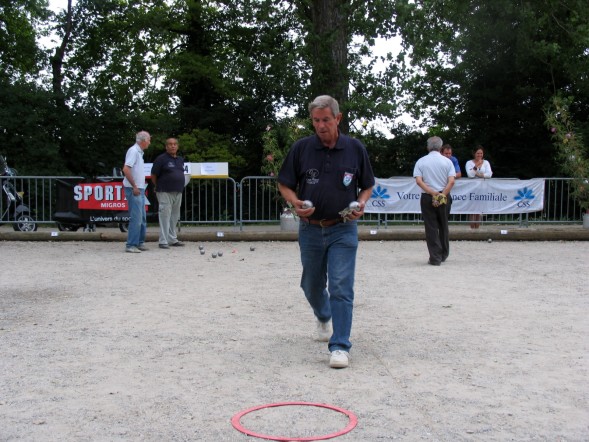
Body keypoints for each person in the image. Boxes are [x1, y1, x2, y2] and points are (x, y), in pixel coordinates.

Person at [278, 95, 375, 369]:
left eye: (326, 120)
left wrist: (362, 203)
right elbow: (284, 183)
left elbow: (367, 184)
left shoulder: (354, 148)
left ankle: (340, 345)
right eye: (316, 120)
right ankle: (323, 316)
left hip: (343, 228)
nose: (321, 126)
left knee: (341, 285)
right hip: (310, 229)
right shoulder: (302, 148)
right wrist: (294, 202)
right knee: (310, 284)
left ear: (338, 118)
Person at [413, 136, 456, 266]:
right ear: (441, 147)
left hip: (427, 196)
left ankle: (435, 257)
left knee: (431, 227)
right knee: (443, 225)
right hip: (444, 195)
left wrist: (432, 193)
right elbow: (451, 181)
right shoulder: (447, 162)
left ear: (428, 147)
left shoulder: (421, 161)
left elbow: (419, 181)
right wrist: (442, 195)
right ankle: (444, 254)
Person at [151, 138, 186, 249]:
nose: (173, 146)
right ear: (166, 147)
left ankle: (172, 239)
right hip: (164, 191)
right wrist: (157, 186)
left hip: (178, 191)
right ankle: (163, 241)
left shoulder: (180, 159)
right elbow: (153, 175)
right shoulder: (161, 159)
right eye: (170, 144)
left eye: (175, 144)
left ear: (178, 146)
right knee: (165, 216)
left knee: (174, 216)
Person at [122, 131, 150, 253]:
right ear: (143, 141)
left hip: (139, 188)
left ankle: (139, 242)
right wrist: (134, 186)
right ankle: (131, 244)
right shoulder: (133, 151)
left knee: (142, 218)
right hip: (134, 188)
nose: (149, 142)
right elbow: (126, 169)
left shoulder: (139, 152)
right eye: (149, 140)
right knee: (136, 218)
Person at [465, 145, 493, 228]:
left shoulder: (486, 162)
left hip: (482, 188)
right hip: (472, 189)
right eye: (478, 153)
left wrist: (479, 175)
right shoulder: (469, 163)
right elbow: (470, 175)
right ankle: (472, 228)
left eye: (481, 153)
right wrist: (476, 165)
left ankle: (477, 228)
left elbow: (489, 174)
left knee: (479, 209)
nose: (479, 155)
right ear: (474, 153)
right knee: (472, 209)